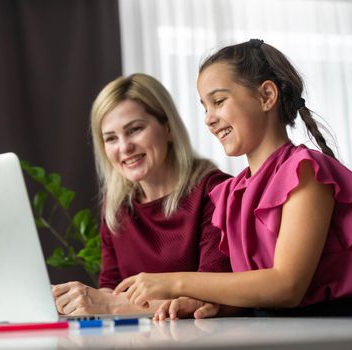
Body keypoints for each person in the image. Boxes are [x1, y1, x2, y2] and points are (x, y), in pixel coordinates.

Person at [114, 39, 352, 318]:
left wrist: (172, 282)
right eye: (205, 107)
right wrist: (209, 304)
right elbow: (252, 291)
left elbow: (287, 286)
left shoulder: (306, 172)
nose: (209, 119)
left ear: (266, 96)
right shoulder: (230, 192)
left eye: (218, 101)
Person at [52, 73, 232, 318]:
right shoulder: (116, 207)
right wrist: (77, 302)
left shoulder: (214, 191)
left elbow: (211, 297)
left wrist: (106, 304)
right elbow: (111, 291)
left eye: (135, 130)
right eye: (111, 138)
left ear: (168, 128)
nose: (124, 147)